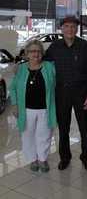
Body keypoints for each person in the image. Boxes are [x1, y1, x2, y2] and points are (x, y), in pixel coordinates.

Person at [45, 16, 87, 171]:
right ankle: (65, 157)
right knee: (64, 128)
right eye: (66, 26)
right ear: (61, 28)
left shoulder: (84, 46)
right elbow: (43, 63)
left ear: (77, 29)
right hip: (61, 92)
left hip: (81, 92)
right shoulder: (55, 46)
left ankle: (86, 157)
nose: (70, 29)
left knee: (84, 128)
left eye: (73, 26)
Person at [9, 40, 57, 172]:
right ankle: (32, 160)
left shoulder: (49, 66)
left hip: (45, 109)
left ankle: (42, 159)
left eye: (38, 51)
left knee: (44, 135)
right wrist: (14, 105)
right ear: (27, 54)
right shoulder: (21, 68)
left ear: (42, 53)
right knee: (27, 135)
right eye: (32, 51)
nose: (35, 54)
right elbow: (12, 88)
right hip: (26, 109)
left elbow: (58, 84)